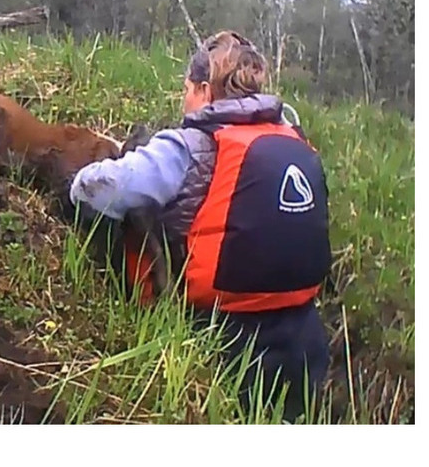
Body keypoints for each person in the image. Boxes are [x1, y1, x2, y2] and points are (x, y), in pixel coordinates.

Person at [68, 30, 332, 421]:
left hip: (222, 341)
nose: (184, 99)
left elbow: (93, 190)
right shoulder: (295, 140)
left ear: (205, 90)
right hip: (305, 341)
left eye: (187, 88)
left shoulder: (187, 146)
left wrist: (83, 169)